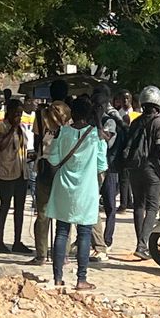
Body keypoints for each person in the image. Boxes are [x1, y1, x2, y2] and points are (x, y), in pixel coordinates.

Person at [46, 96, 108, 290]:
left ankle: (57, 277)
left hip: (63, 188)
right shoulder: (95, 136)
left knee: (61, 232)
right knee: (84, 234)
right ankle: (81, 279)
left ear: (72, 113)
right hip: (86, 190)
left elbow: (54, 160)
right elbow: (102, 165)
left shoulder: (62, 132)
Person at [123, 86, 160, 261]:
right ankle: (142, 245)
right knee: (152, 207)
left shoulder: (136, 122)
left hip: (134, 168)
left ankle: (140, 244)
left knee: (139, 205)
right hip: (151, 169)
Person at [30, 100, 70, 265]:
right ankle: (63, 254)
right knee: (63, 215)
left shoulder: (39, 118)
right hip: (62, 171)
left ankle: (41, 254)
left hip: (45, 170)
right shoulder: (71, 126)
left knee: (42, 215)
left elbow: (35, 142)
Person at [89, 86, 127, 260]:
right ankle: (91, 240)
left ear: (105, 104)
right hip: (92, 167)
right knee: (91, 203)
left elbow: (105, 140)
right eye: (94, 104)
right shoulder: (89, 120)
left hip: (110, 166)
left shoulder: (110, 120)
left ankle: (107, 239)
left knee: (110, 205)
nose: (96, 108)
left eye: (99, 105)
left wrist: (97, 122)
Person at [0, 98, 30, 254]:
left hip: (21, 170)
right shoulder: (1, 126)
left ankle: (17, 241)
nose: (19, 116)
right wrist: (12, 129)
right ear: (9, 112)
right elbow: (1, 145)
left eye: (20, 114)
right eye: (16, 113)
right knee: (5, 206)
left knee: (19, 208)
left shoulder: (20, 127)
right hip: (6, 172)